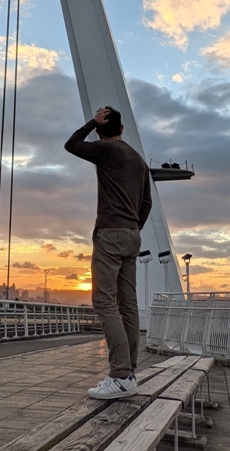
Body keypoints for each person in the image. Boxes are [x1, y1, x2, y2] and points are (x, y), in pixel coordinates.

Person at [65, 106, 152, 400]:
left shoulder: (106, 150)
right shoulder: (138, 160)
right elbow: (147, 203)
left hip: (110, 233)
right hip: (132, 235)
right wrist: (133, 227)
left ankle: (120, 374)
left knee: (103, 300)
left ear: (101, 131)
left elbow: (72, 144)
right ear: (122, 129)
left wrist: (91, 122)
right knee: (128, 304)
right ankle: (129, 373)